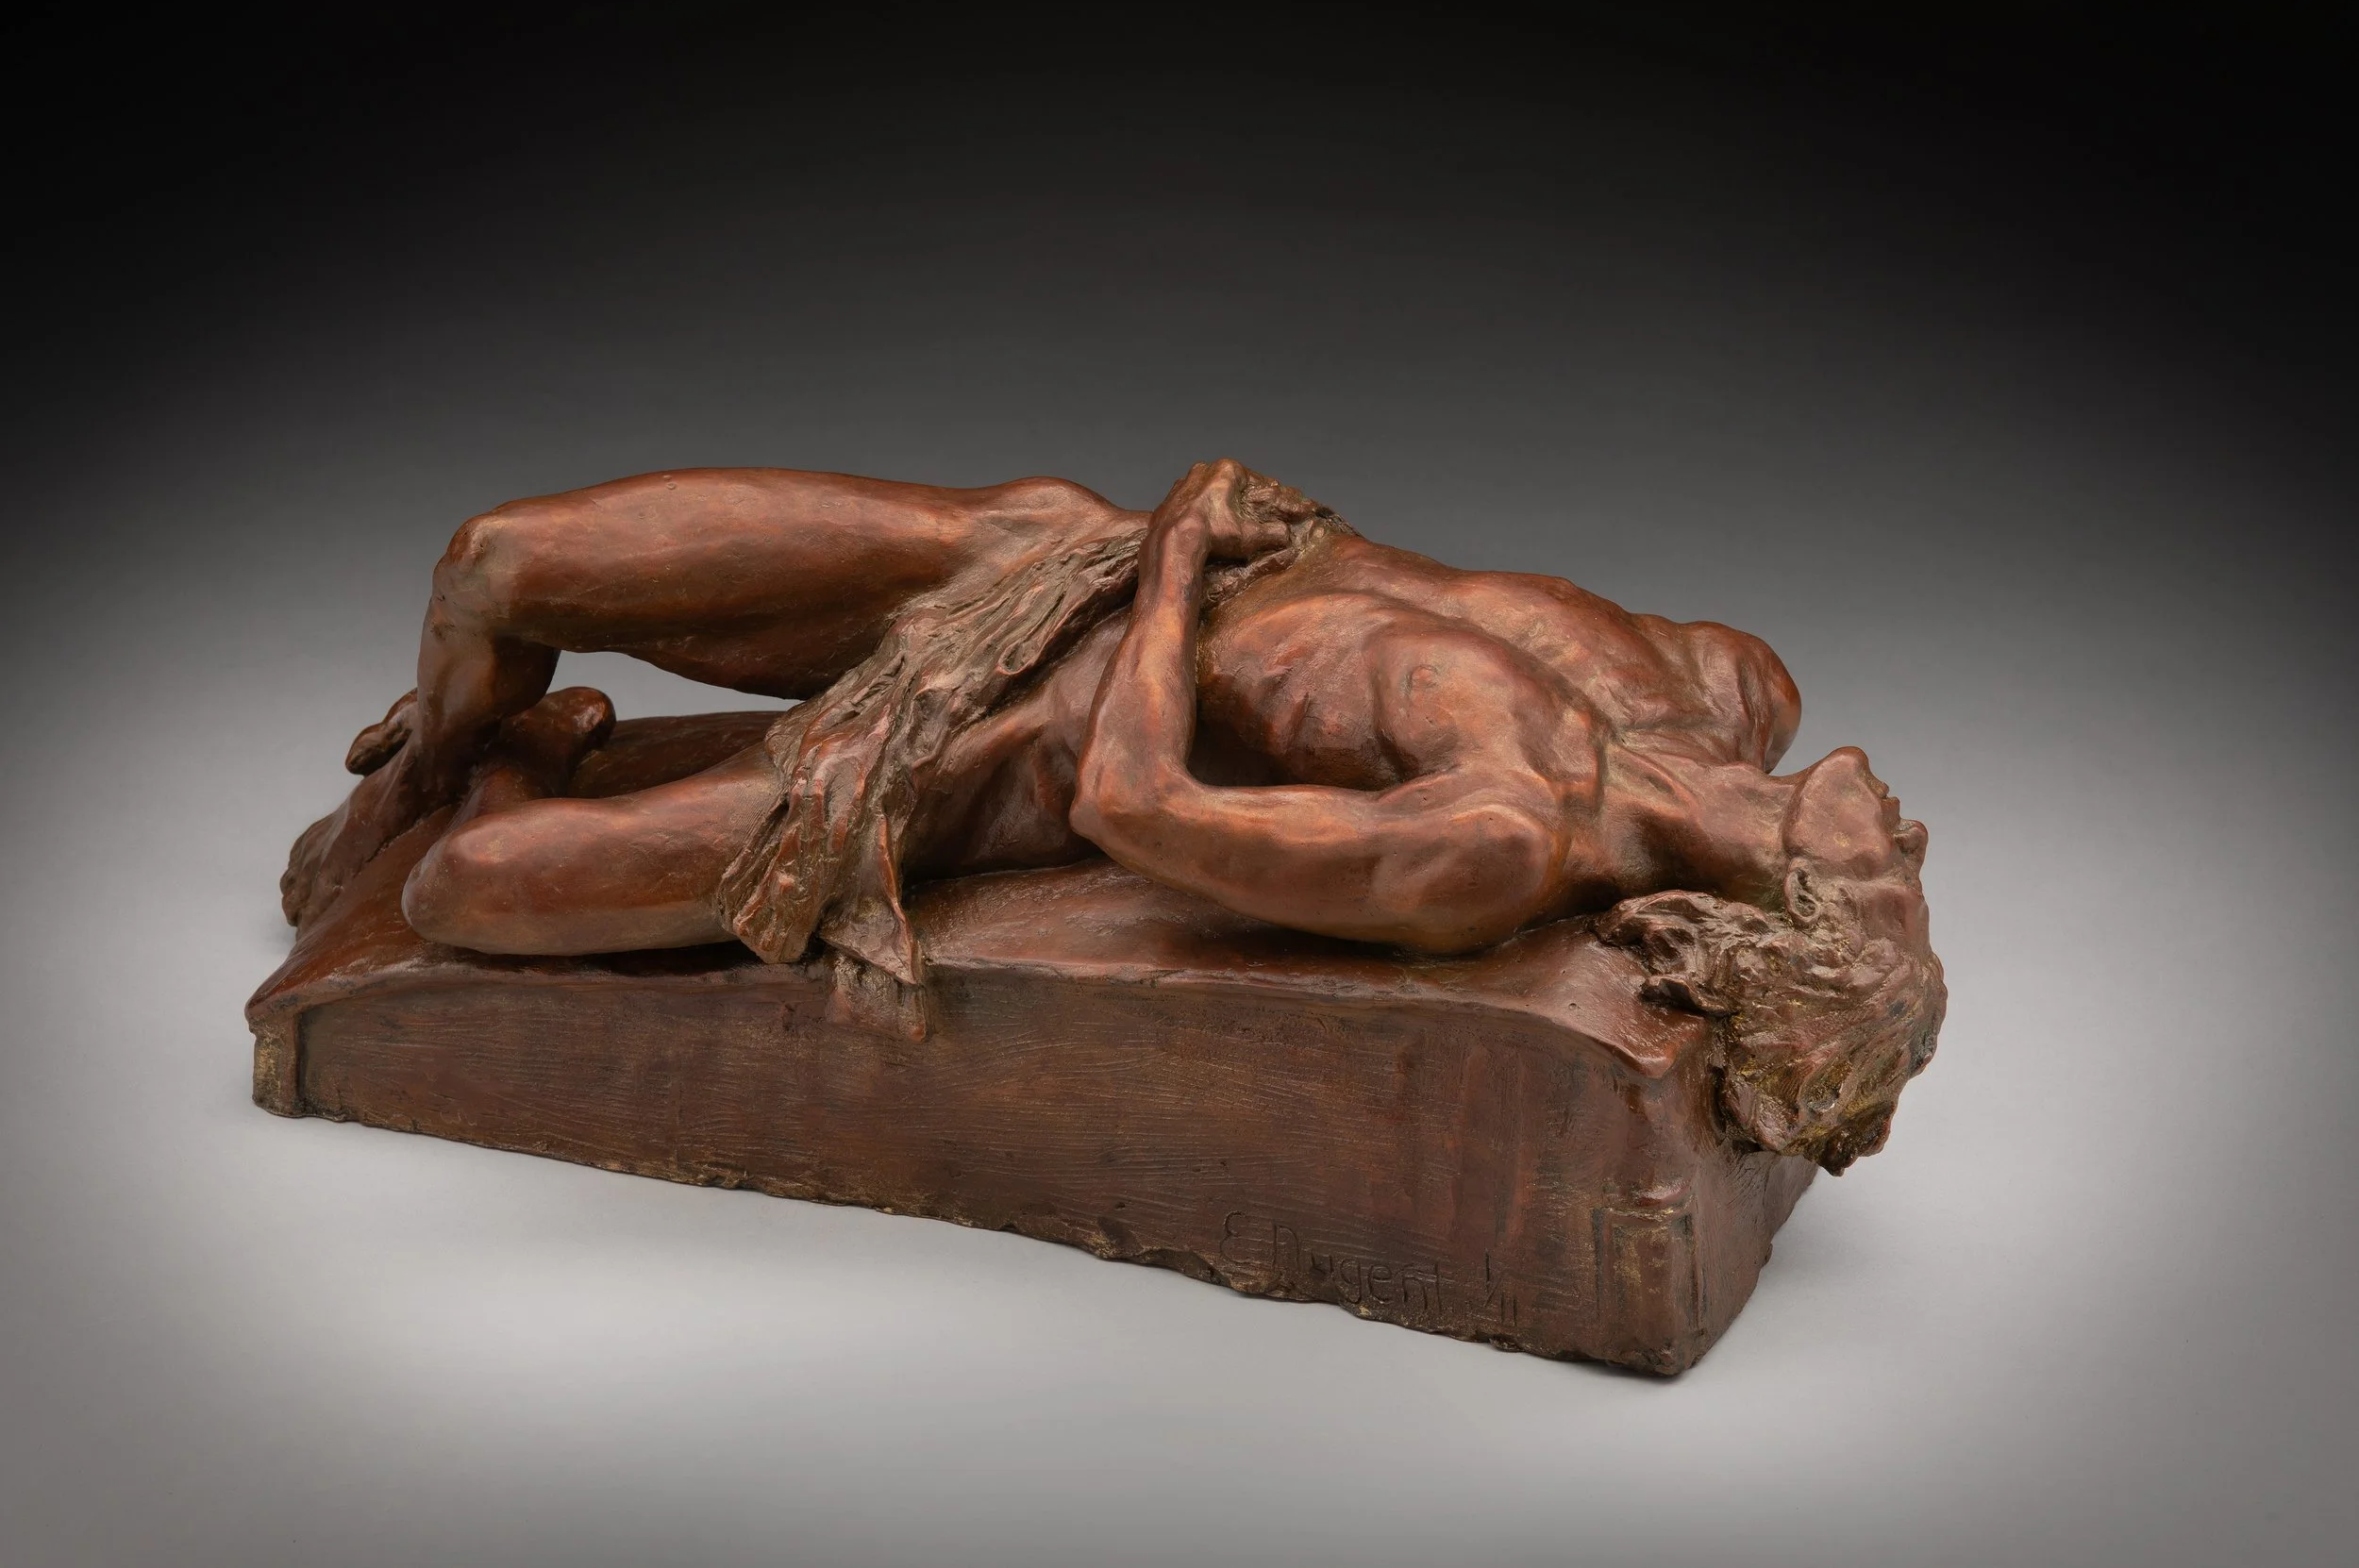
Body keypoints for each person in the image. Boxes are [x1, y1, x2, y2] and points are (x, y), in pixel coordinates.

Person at [282, 459, 1944, 1171]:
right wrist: (1158, 542)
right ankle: (434, 753)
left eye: (1892, 887)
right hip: (1035, 548)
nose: (1920, 842)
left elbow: (1131, 804)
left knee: (469, 890)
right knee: (492, 564)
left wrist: (1181, 554)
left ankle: (509, 762)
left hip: (998, 731)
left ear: (1784, 926)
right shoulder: (1730, 683)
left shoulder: (1500, 846)